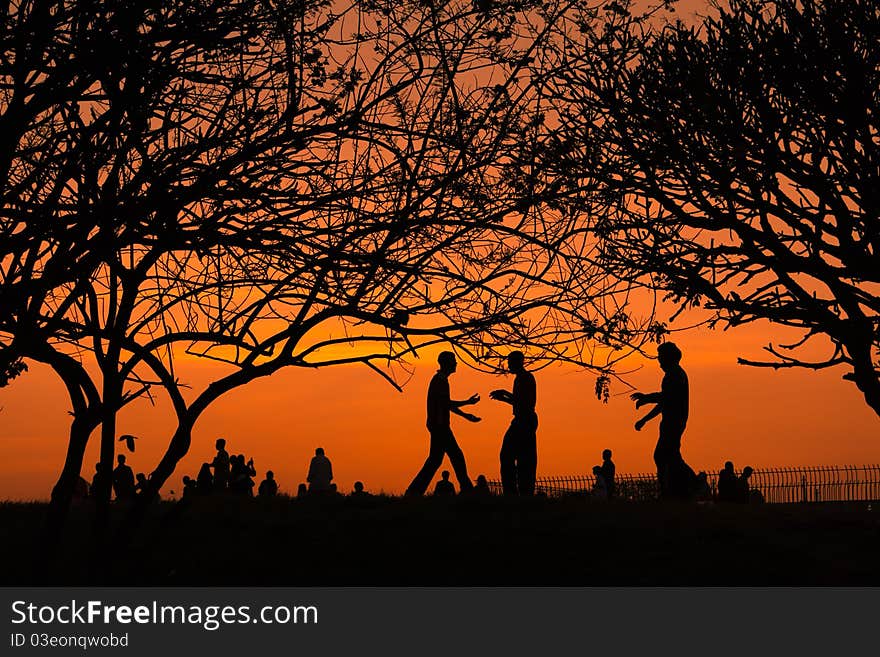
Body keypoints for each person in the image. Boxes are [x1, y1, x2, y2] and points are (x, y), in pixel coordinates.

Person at [405, 351, 479, 495]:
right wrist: (467, 403)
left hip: (439, 426)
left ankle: (414, 492)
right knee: (455, 456)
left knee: (435, 460)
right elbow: (446, 403)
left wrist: (465, 415)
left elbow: (446, 405)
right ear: (447, 363)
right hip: (440, 426)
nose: (456, 363)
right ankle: (467, 490)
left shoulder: (441, 380)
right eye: (453, 361)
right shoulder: (440, 381)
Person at [631, 342, 692, 499]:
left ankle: (688, 485)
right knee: (668, 456)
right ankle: (677, 490)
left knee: (665, 456)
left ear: (669, 358)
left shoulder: (675, 375)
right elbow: (664, 403)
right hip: (670, 422)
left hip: (674, 422)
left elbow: (665, 398)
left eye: (661, 358)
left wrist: (646, 398)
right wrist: (644, 419)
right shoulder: (673, 375)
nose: (659, 362)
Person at [491, 351, 538, 496]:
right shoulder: (519, 379)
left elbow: (525, 402)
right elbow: (518, 401)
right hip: (521, 419)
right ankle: (515, 491)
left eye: (510, 362)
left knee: (515, 456)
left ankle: (516, 491)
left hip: (525, 420)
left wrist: (504, 395)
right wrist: (504, 396)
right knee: (512, 456)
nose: (509, 365)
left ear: (518, 362)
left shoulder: (526, 378)